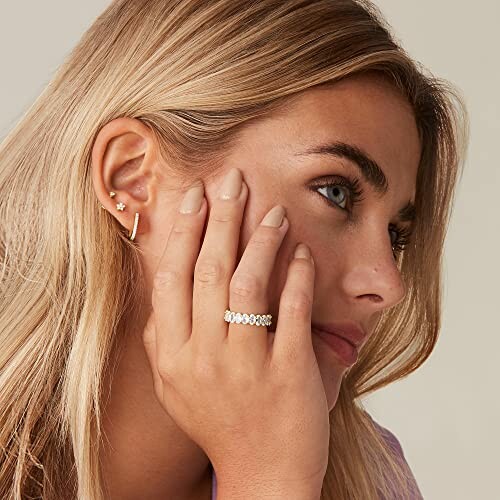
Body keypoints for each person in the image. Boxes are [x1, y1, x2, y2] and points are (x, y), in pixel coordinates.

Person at [0, 0, 467, 499]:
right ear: (131, 177)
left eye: (397, 234)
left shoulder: (370, 481)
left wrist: (269, 476)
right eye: (335, 192)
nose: (387, 283)